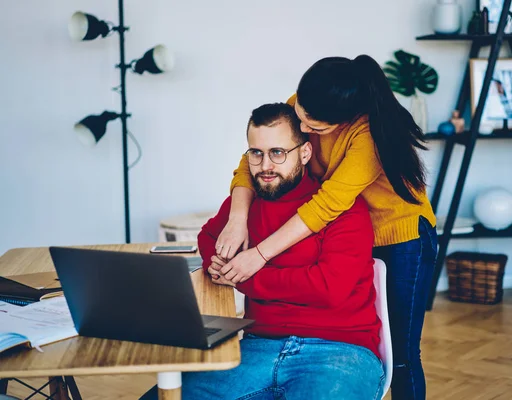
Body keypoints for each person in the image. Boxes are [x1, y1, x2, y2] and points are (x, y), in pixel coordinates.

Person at [214, 55, 438, 400]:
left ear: (342, 119)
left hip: (401, 236)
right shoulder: (302, 108)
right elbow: (248, 161)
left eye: (314, 128)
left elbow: (328, 204)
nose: (302, 130)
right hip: (349, 226)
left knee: (405, 356)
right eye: (299, 114)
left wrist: (258, 255)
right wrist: (237, 219)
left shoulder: (368, 136)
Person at [140, 102, 384, 400]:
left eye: (278, 153)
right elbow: (209, 237)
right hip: (257, 347)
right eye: (256, 153)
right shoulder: (244, 206)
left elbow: (328, 288)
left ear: (305, 153)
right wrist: (222, 261)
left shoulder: (344, 209)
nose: (265, 165)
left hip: (339, 352)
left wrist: (243, 276)